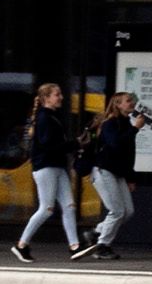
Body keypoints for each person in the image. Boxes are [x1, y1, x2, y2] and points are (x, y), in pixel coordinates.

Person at [15, 82, 82, 262]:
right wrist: (74, 144)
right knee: (46, 208)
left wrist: (72, 144)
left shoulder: (50, 116)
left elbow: (51, 144)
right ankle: (21, 244)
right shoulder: (45, 118)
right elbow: (48, 145)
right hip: (46, 166)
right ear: (46, 98)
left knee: (69, 206)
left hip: (56, 166)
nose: (61, 97)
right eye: (57, 94)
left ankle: (75, 246)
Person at [76, 90, 141, 261]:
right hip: (103, 170)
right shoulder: (110, 124)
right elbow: (116, 145)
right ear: (118, 105)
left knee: (128, 211)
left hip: (118, 172)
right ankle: (102, 245)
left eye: (132, 100)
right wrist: (135, 129)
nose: (132, 103)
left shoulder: (126, 123)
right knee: (117, 211)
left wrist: (130, 178)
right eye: (128, 100)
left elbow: (128, 155)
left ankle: (95, 232)